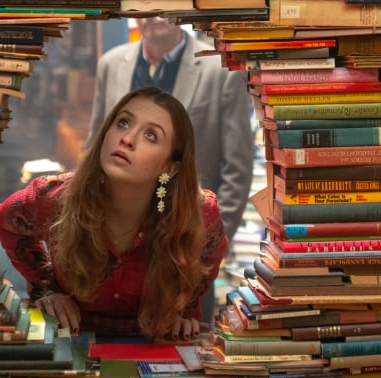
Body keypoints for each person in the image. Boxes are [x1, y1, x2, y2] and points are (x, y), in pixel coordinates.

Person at [0, 87, 228, 340]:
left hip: (155, 341)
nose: (126, 138)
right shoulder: (56, 196)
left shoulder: (199, 213)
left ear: (170, 167)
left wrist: (184, 311)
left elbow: (204, 266)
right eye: (123, 122)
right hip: (71, 337)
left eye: (151, 135)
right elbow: (4, 221)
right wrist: (46, 289)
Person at [87, 17, 255, 245]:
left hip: (187, 237)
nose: (154, 15)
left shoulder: (221, 70)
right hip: (110, 235)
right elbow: (95, 146)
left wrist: (211, 242)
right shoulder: (111, 64)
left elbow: (238, 166)